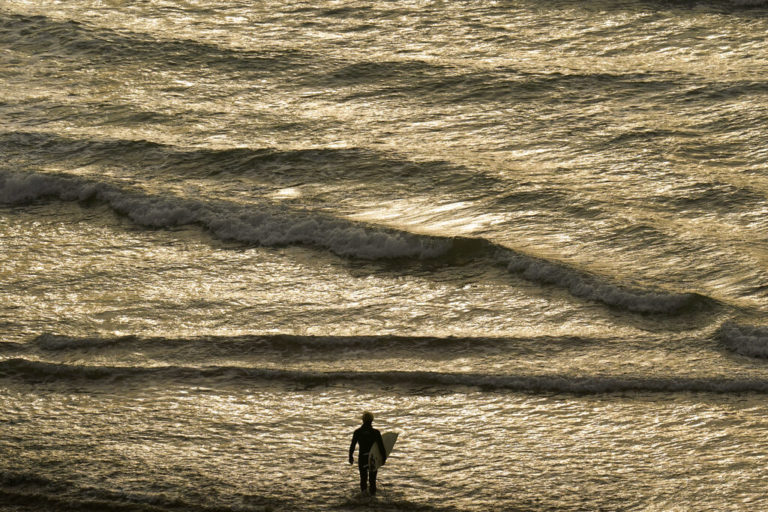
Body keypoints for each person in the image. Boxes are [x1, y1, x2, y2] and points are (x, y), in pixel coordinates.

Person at [348, 411, 387, 496]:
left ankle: (363, 497)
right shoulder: (376, 432)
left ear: (363, 420)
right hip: (373, 457)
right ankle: (373, 498)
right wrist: (383, 458)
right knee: (372, 480)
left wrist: (350, 457)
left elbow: (352, 446)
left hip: (362, 458)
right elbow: (381, 447)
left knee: (363, 479)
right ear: (372, 420)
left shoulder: (357, 432)